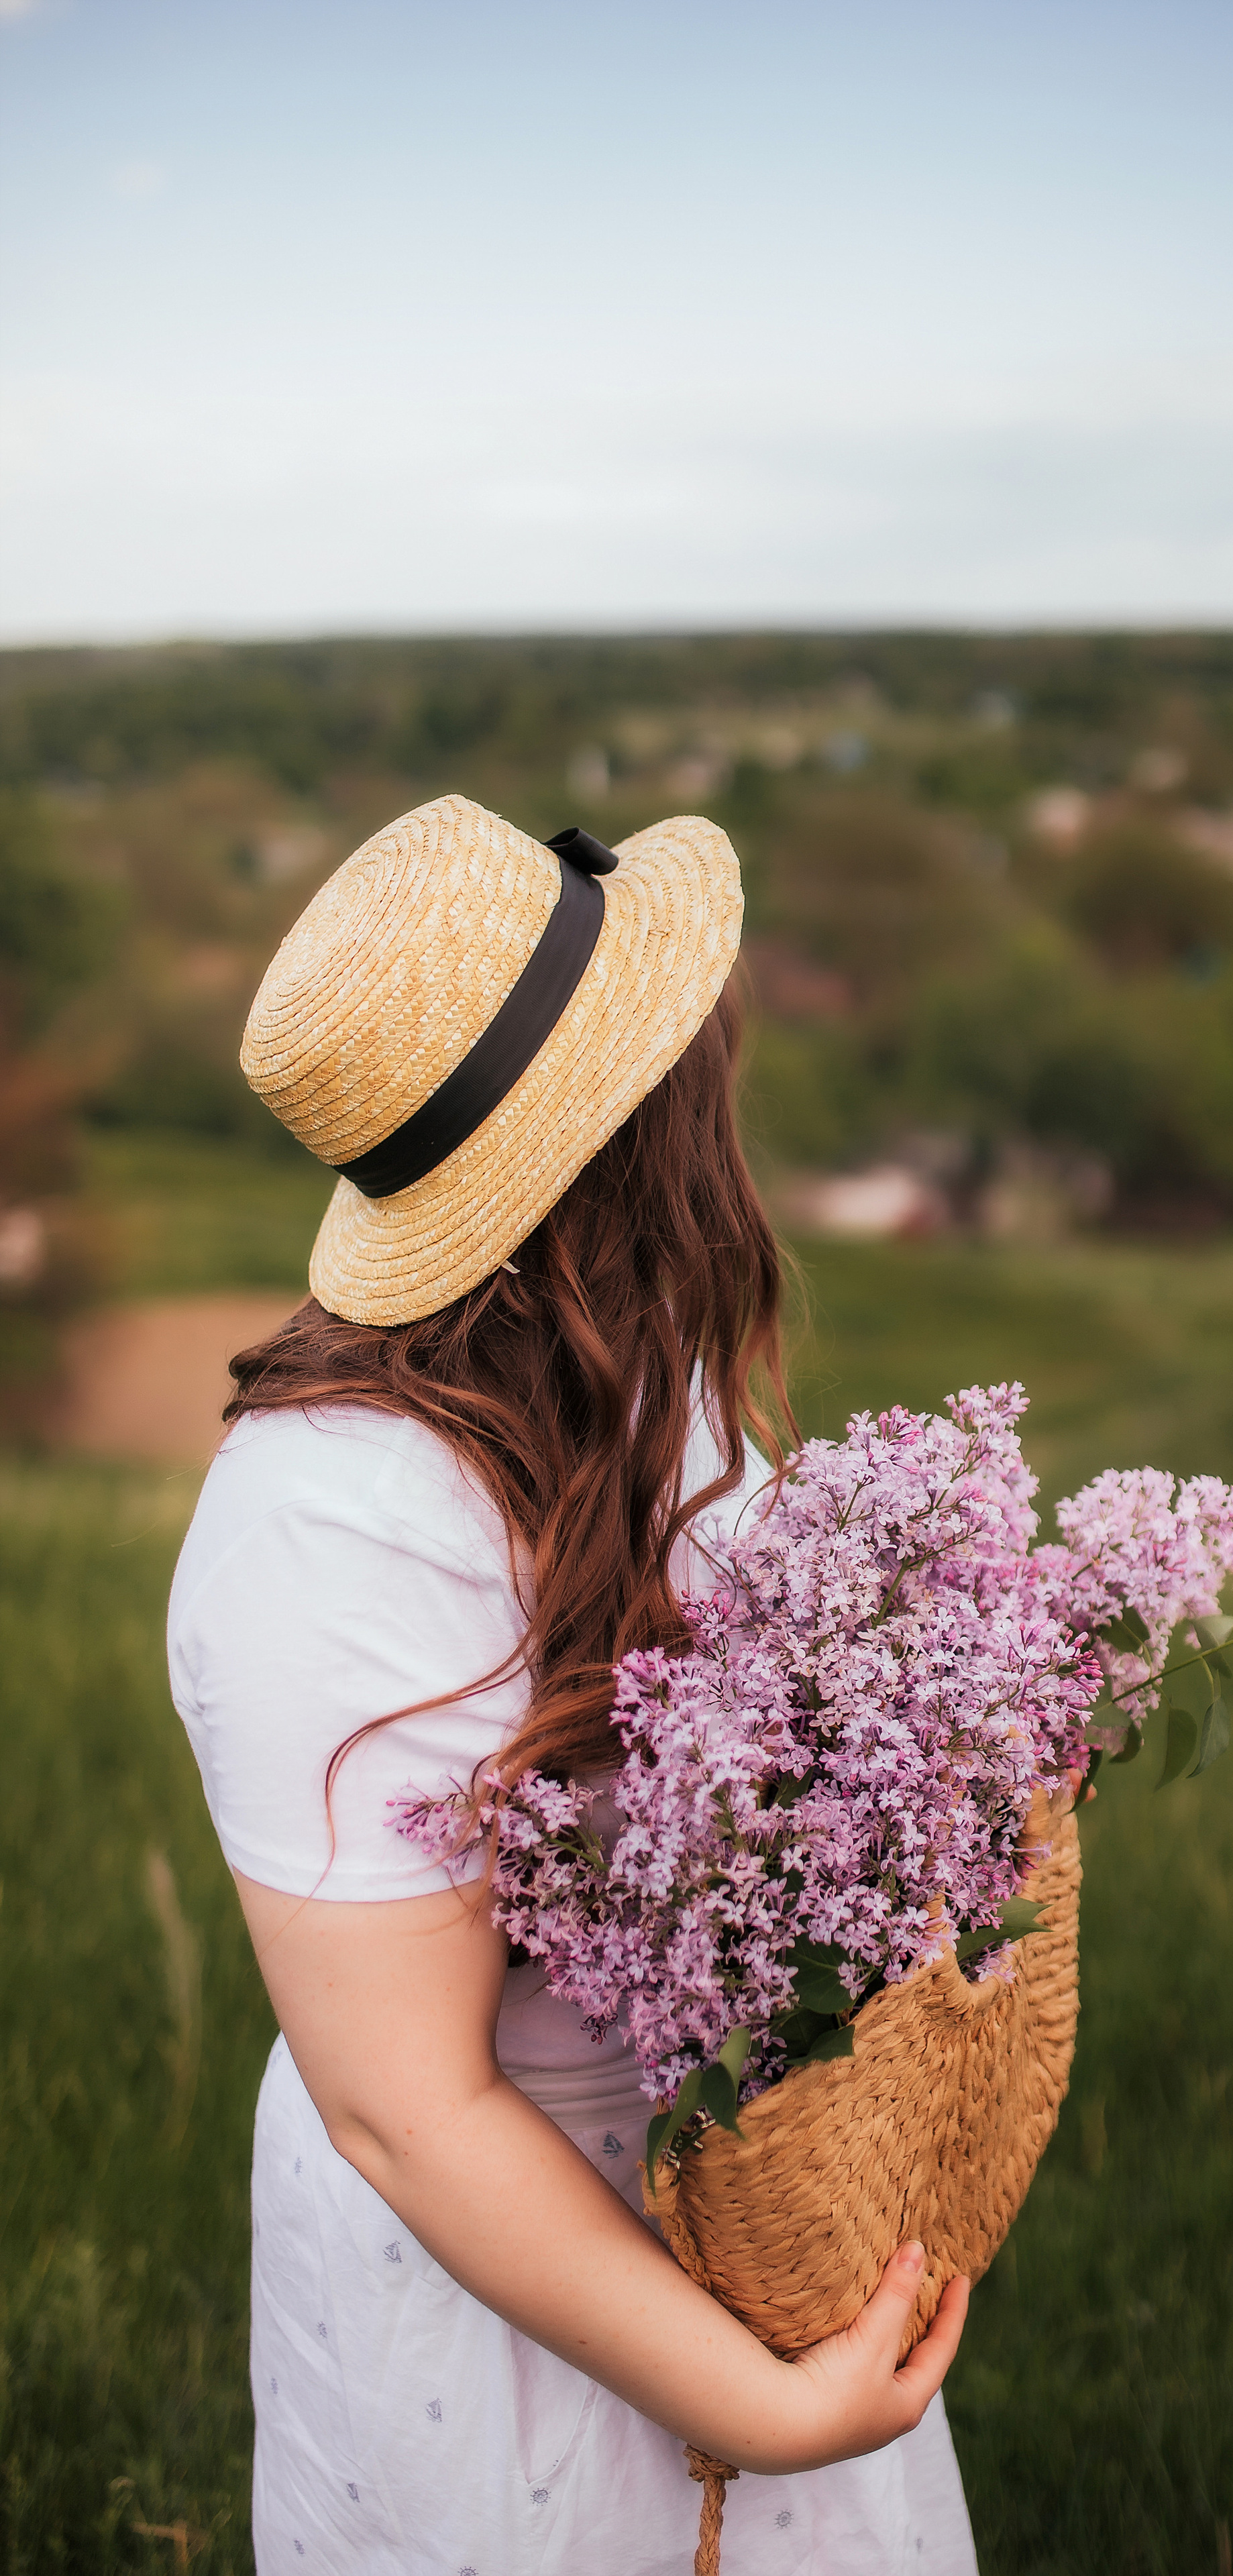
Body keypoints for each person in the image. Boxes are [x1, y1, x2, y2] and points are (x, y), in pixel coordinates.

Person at [166, 796, 976, 2575]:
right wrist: (757, 2411)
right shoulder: (330, 1525)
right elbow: (408, 2108)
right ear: (648, 1118)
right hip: (514, 2296)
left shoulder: (620, 1365)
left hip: (748, 2201)